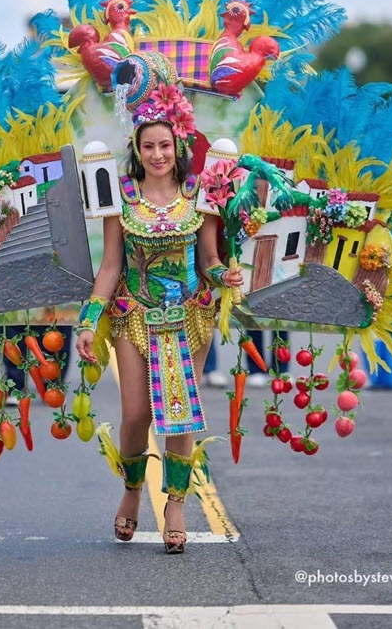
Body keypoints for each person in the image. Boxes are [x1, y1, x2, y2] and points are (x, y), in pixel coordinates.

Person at [75, 84, 243, 553]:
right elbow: (111, 266)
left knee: (180, 413)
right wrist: (88, 321)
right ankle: (132, 490)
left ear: (178, 145)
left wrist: (223, 275)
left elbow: (208, 259)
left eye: (164, 145)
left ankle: (176, 505)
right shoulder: (122, 198)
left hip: (189, 316)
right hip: (134, 315)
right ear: (137, 149)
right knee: (136, 414)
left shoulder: (200, 194)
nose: (157, 154)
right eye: (148, 146)